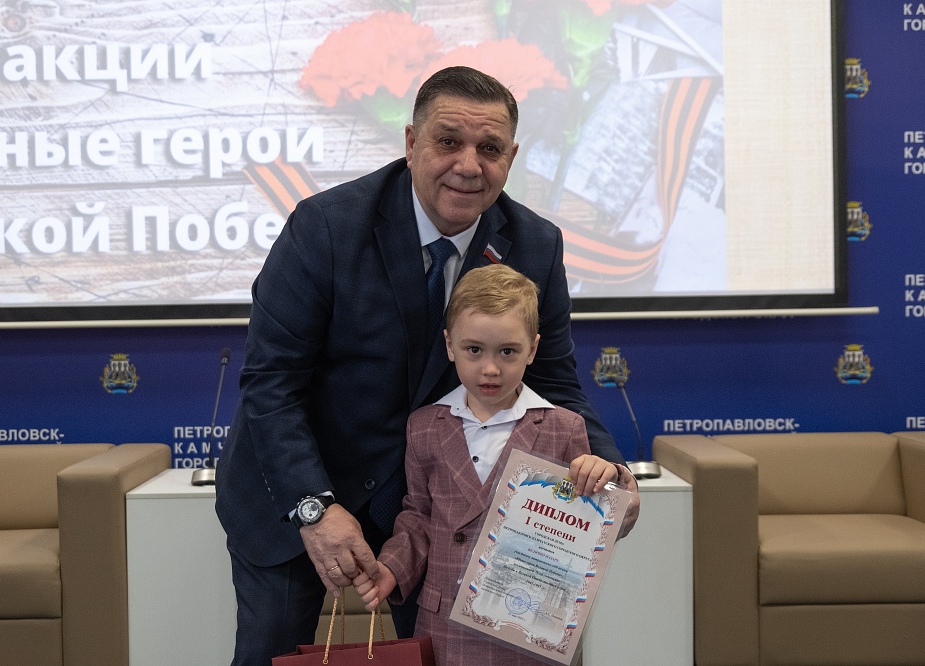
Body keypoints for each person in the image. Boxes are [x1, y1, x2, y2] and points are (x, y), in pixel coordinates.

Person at [214, 65, 640, 666]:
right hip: (296, 497)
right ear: (412, 143)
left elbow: (554, 381)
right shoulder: (326, 227)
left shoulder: (535, 244)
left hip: (432, 511)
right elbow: (271, 384)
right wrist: (314, 507)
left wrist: (613, 473)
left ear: (511, 157)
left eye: (489, 148)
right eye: (448, 141)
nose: (469, 164)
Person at [353, 264, 620, 665]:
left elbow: (584, 524)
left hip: (527, 625)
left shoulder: (564, 429)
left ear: (532, 349)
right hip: (443, 623)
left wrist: (601, 476)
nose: (490, 368)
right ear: (450, 345)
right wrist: (391, 568)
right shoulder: (424, 426)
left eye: (507, 351)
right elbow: (418, 517)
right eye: (474, 350)